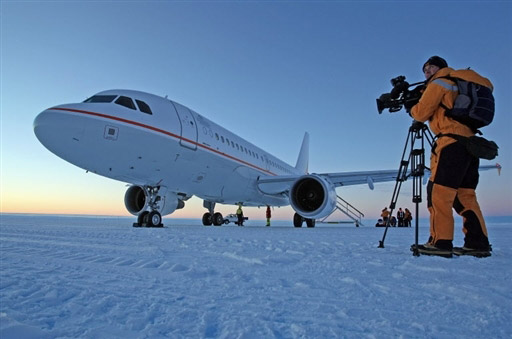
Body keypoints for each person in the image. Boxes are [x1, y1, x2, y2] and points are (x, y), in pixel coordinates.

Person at [407, 56, 491, 257]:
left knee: (439, 193)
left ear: (441, 68)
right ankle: (478, 243)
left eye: (431, 68)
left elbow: (421, 113)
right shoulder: (457, 82)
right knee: (465, 196)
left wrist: (411, 107)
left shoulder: (439, 82)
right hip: (470, 145)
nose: (427, 73)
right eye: (425, 70)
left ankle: (440, 242)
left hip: (450, 143)